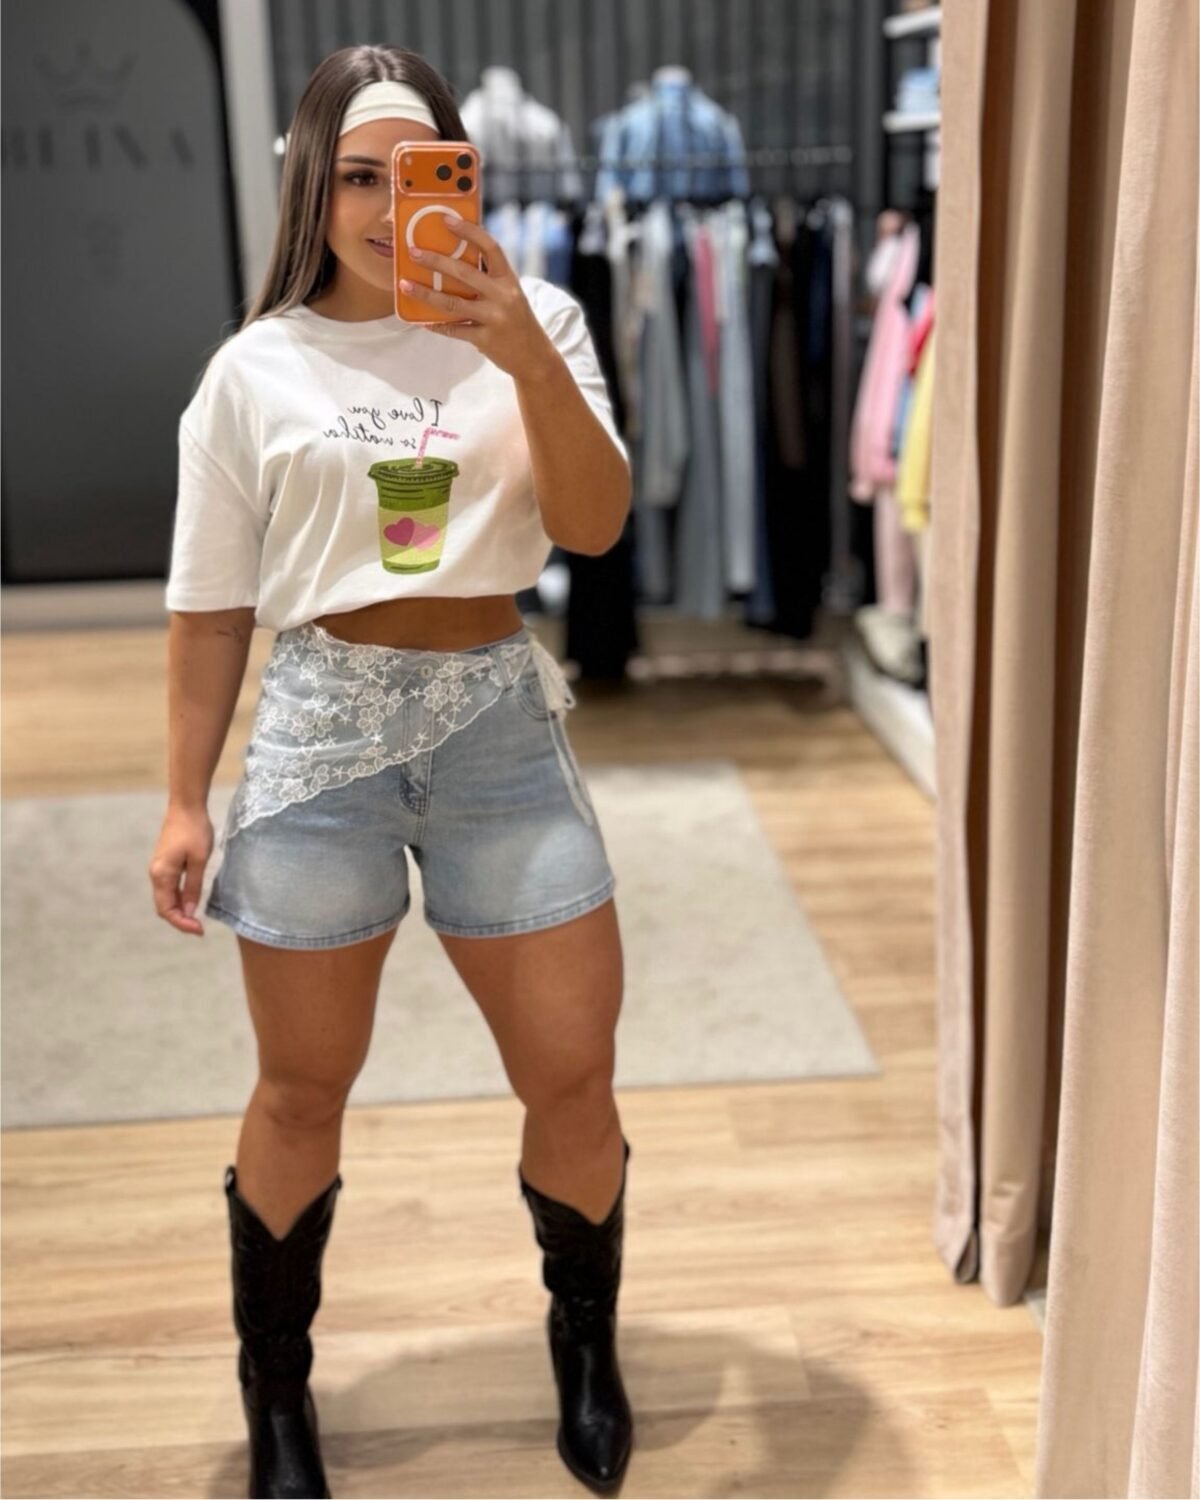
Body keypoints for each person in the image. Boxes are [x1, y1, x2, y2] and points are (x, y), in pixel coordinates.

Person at [148, 44, 634, 1499]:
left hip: (498, 727)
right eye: (357, 175)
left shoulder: (539, 319)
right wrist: (183, 796)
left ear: (463, 181)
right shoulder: (255, 368)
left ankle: (585, 1344)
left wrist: (521, 351)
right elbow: (210, 606)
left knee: (574, 1074)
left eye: (420, 175)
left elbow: (594, 527)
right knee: (302, 1088)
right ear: (313, 183)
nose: (386, 206)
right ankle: (278, 1392)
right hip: (318, 740)